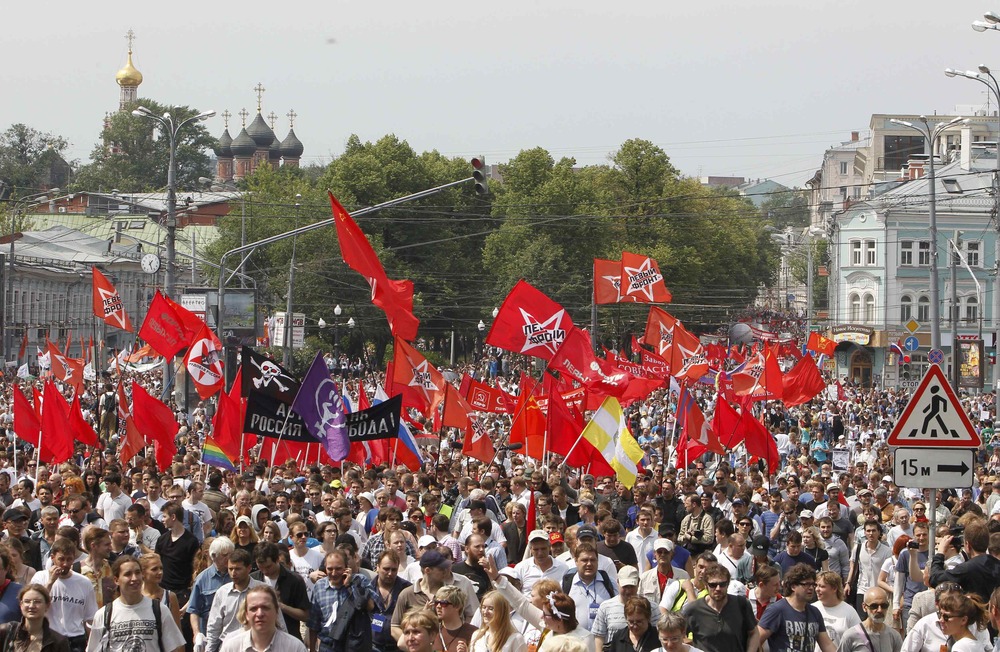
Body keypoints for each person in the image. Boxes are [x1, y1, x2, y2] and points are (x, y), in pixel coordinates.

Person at [482, 554, 594, 651]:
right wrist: (497, 578)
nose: (542, 617)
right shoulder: (547, 628)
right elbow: (522, 604)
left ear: (559, 619)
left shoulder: (585, 638)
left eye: (545, 615)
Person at [85, 556, 185, 652]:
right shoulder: (104, 615)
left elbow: (174, 648)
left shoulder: (160, 610)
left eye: (137, 573)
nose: (134, 578)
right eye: (128, 574)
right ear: (116, 580)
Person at [206, 549, 280, 652]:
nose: (233, 573)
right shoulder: (222, 593)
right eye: (230, 569)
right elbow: (214, 627)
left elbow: (279, 623)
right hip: (228, 647)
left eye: (238, 569)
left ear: (249, 568)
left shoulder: (264, 591)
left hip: (258, 646)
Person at [30, 538, 97, 652]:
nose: (65, 564)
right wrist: (51, 582)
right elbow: (35, 603)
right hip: (49, 637)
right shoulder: (40, 577)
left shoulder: (84, 582)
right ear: (52, 557)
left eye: (69, 559)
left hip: (75, 639)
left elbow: (90, 618)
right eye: (61, 559)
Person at [757, 563, 836, 652]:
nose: (811, 588)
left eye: (812, 584)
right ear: (793, 586)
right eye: (806, 584)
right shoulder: (777, 610)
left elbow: (827, 644)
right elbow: (756, 639)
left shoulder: (815, 612)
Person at [307, 549, 374, 652]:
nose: (334, 573)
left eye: (338, 569)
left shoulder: (360, 580)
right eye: (330, 569)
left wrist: (350, 585)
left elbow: (370, 606)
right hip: (327, 645)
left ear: (346, 567)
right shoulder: (319, 586)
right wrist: (312, 649)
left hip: (353, 645)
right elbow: (314, 622)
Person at [681, 565, 758, 652]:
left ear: (727, 584)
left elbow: (754, 633)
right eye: (713, 585)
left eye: (722, 584)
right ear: (706, 585)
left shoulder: (741, 604)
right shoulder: (693, 610)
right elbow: (679, 636)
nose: (718, 588)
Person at [929, 522, 1000, 606]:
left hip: (975, 616)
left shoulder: (966, 569)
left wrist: (940, 553)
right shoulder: (996, 564)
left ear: (967, 545)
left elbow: (935, 579)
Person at [252, 542, 311, 641]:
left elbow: (305, 615)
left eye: (268, 567)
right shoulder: (253, 579)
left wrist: (280, 606)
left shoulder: (294, 580)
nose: (265, 571)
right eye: (260, 567)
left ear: (277, 560)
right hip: (260, 640)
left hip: (288, 639)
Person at [219, 585, 306, 652]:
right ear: (246, 614)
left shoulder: (295, 648)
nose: (260, 614)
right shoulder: (232, 648)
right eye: (253, 609)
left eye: (265, 607)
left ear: (276, 612)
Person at [189, 536, 233, 648]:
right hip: (210, 636)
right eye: (224, 555)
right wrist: (196, 633)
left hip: (233, 634)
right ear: (214, 556)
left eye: (230, 554)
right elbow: (194, 609)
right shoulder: (202, 579)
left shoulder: (236, 576)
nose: (229, 558)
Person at [0, 583, 69, 652]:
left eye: (37, 602)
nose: (31, 606)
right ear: (21, 605)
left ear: (47, 606)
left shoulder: (58, 641)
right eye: (27, 601)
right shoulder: (6, 631)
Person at [836, 587, 901, 652]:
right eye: (874, 606)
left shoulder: (894, 636)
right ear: (864, 607)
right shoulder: (850, 636)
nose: (879, 610)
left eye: (884, 605)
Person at [813, 571, 861, 650]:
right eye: (816, 586)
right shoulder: (812, 609)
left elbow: (860, 639)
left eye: (822, 586)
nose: (817, 589)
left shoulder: (849, 612)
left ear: (834, 588)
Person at [138, 553, 182, 627]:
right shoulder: (136, 595)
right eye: (154, 569)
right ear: (143, 573)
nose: (160, 572)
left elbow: (177, 631)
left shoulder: (170, 597)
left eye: (161, 568)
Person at [432, 585, 477, 652]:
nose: (438, 606)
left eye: (443, 603)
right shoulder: (432, 631)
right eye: (436, 602)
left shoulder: (473, 633)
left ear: (457, 606)